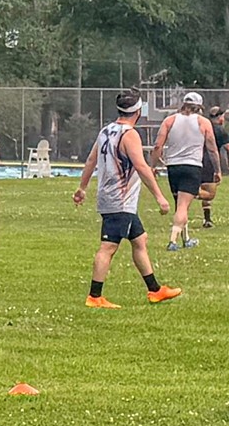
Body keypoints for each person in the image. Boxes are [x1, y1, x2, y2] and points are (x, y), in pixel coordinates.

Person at [73, 89, 180, 308]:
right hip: (119, 200)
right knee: (108, 248)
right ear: (138, 111)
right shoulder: (129, 134)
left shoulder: (107, 130)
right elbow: (141, 166)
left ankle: (155, 290)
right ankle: (94, 296)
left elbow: (92, 158)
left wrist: (82, 187)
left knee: (140, 240)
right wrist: (160, 197)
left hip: (117, 200)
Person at [151, 92, 217, 250]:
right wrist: (217, 169)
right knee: (182, 206)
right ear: (199, 107)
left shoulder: (170, 120)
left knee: (180, 204)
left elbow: (157, 146)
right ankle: (172, 241)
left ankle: (186, 238)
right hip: (192, 167)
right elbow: (212, 148)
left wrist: (153, 165)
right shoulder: (204, 122)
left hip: (173, 167)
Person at [196, 105, 229, 230]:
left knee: (202, 190)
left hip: (195, 160)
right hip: (208, 163)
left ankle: (206, 219)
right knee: (209, 193)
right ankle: (189, 194)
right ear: (219, 118)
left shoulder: (201, 126)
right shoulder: (219, 130)